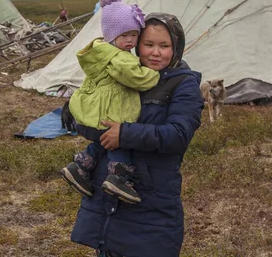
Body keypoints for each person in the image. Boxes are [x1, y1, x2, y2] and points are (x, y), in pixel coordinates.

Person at [71, 13, 204, 257]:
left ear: (176, 47)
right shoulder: (123, 75)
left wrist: (125, 133)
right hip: (109, 191)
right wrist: (77, 113)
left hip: (150, 196)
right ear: (136, 44)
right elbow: (94, 122)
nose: (155, 53)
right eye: (148, 44)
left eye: (164, 46)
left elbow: (178, 135)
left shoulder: (183, 85)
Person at [60, 0, 160, 204]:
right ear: (112, 35)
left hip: (92, 111)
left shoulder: (104, 51)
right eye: (125, 36)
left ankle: (79, 167)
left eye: (134, 35)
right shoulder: (119, 58)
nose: (131, 40)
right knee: (118, 141)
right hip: (106, 112)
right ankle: (119, 178)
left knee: (101, 140)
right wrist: (153, 74)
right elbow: (136, 78)